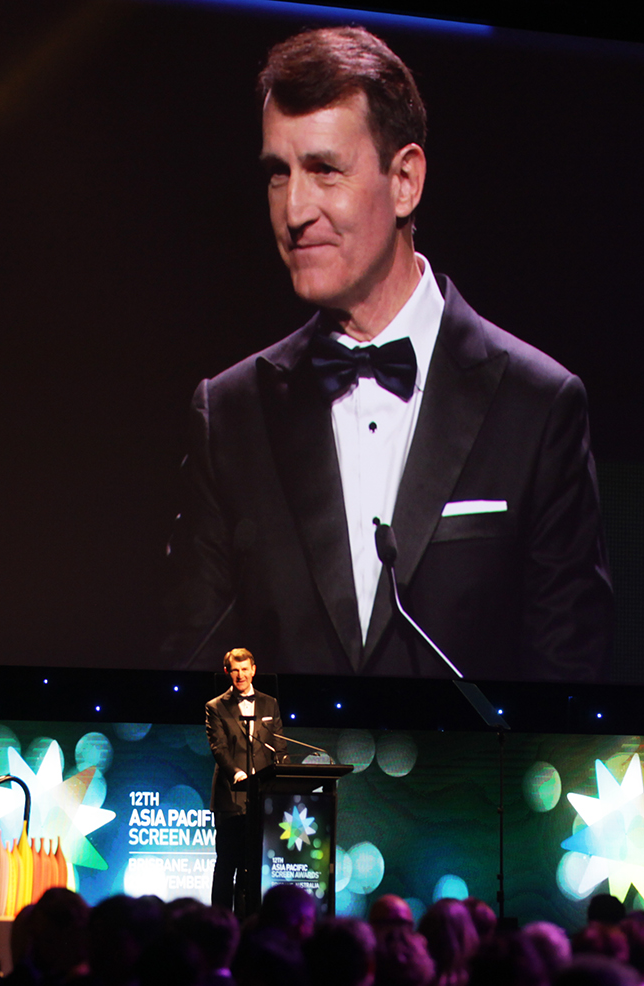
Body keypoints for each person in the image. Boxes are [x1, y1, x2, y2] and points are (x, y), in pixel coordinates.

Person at [167, 25, 614, 682]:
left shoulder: (537, 406)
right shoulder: (230, 415)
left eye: (323, 171)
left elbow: (570, 689)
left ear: (405, 181)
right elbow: (188, 681)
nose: (294, 210)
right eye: (277, 174)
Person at [206, 648, 287, 912]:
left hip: (262, 797)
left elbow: (279, 746)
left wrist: (284, 774)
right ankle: (218, 920)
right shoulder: (215, 706)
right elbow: (219, 748)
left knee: (252, 864)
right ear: (228, 672)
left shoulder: (269, 703)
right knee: (227, 862)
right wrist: (237, 773)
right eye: (235, 670)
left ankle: (249, 920)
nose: (240, 675)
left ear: (253, 669)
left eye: (245, 669)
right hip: (231, 796)